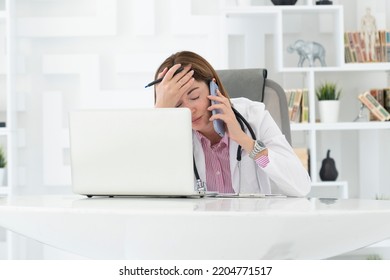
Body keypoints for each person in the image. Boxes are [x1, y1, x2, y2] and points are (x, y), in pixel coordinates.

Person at [153, 51, 311, 197]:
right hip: (199, 226)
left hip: (250, 224)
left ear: (213, 88)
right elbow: (148, 188)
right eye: (177, 104)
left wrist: (246, 142)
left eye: (194, 96)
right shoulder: (172, 134)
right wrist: (159, 113)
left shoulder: (254, 117)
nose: (189, 109)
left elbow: (300, 186)